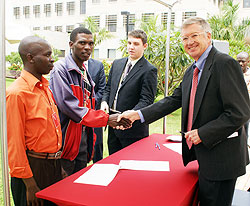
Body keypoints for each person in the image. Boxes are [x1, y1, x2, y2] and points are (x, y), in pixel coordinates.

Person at [118, 17, 250, 205]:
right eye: (184, 38)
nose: (189, 42)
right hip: (202, 157)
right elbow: (172, 101)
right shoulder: (191, 71)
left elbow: (240, 113)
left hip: (221, 160)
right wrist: (138, 114)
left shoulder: (224, 64)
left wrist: (203, 133)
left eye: (194, 36)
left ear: (209, 36)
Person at [49, 27, 130, 176]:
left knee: (78, 186)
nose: (87, 47)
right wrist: (106, 119)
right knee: (64, 189)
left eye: (91, 43)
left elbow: (89, 104)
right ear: (71, 44)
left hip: (83, 139)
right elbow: (70, 107)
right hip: (67, 143)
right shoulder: (61, 70)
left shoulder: (84, 71)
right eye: (82, 43)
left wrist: (110, 116)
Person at [6, 36, 63, 206]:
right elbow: (14, 144)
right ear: (30, 58)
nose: (52, 59)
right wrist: (30, 184)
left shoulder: (44, 87)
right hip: (32, 171)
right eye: (47, 55)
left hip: (52, 165)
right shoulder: (17, 93)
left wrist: (58, 167)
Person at [101, 29, 158, 155]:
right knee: (113, 164)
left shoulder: (149, 70)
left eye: (136, 44)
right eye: (129, 43)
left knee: (131, 167)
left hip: (133, 129)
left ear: (145, 46)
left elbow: (147, 100)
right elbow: (109, 87)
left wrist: (130, 116)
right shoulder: (117, 64)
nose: (131, 47)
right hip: (113, 125)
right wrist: (104, 101)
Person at [85, 56, 106, 163]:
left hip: (94, 111)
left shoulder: (98, 65)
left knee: (97, 146)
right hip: (75, 116)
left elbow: (102, 88)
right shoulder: (65, 66)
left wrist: (90, 103)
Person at [237, 51, 250, 140]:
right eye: (239, 61)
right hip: (235, 108)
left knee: (245, 130)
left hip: (246, 108)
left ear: (248, 62)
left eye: (243, 61)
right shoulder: (233, 74)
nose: (241, 64)